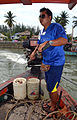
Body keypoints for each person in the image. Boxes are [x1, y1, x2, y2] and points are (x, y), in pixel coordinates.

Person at [30, 7, 67, 112]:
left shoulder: (56, 27)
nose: (40, 18)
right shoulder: (41, 31)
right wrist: (33, 53)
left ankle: (54, 107)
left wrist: (48, 43)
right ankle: (52, 102)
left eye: (43, 16)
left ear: (49, 17)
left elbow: (64, 40)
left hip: (56, 63)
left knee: (53, 87)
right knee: (49, 85)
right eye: (39, 16)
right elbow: (38, 44)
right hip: (46, 63)